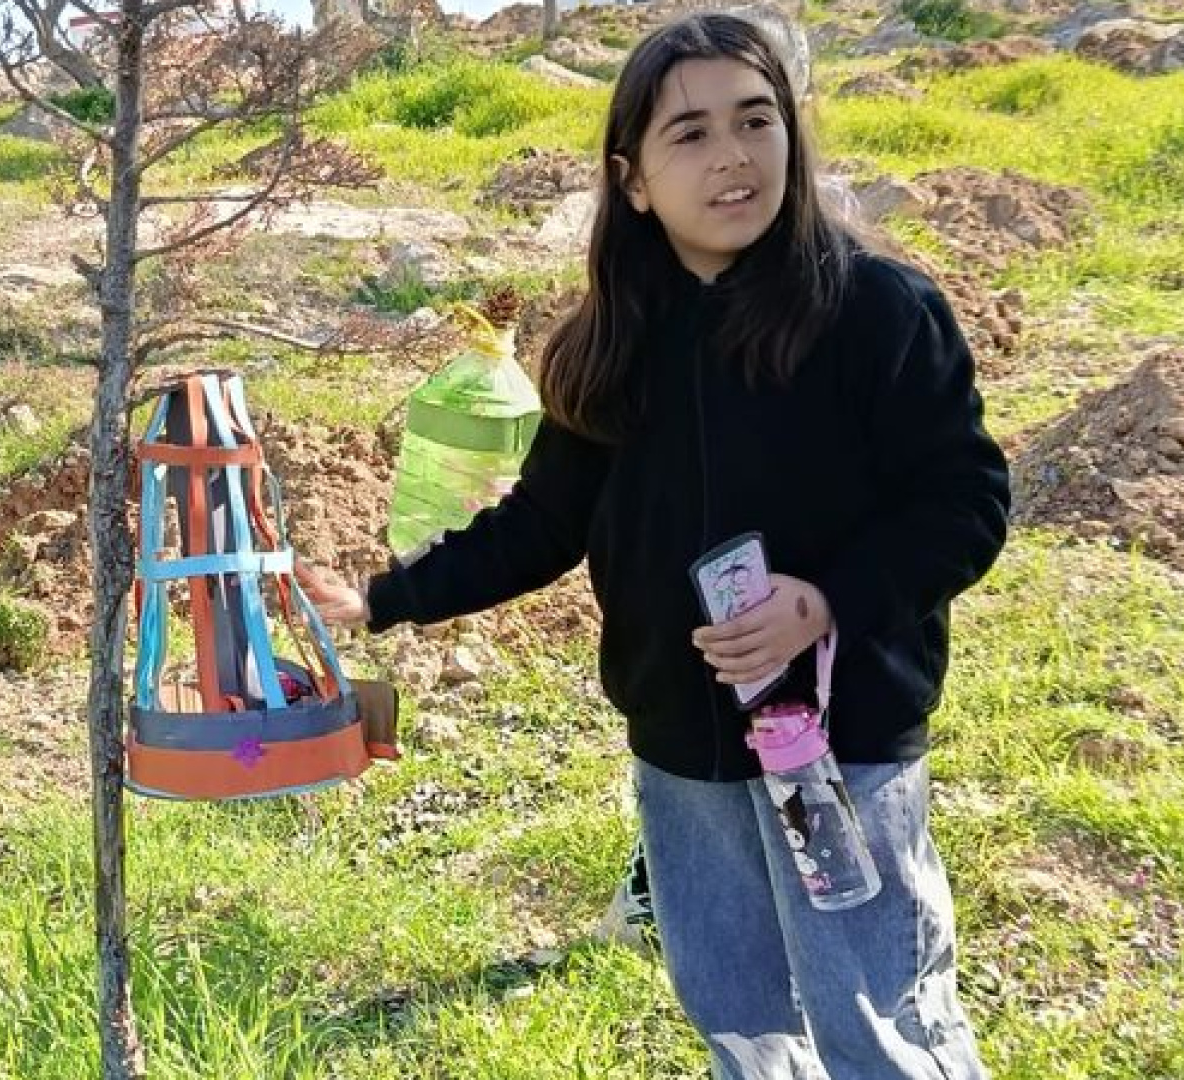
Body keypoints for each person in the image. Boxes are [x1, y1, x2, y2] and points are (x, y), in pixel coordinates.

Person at [296, 12, 1009, 1078]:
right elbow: (543, 523)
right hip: (685, 751)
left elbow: (965, 502)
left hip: (838, 740)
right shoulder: (607, 345)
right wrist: (385, 596)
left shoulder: (874, 312)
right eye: (691, 134)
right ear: (631, 180)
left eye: (756, 120)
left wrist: (824, 602)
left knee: (877, 1013)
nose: (732, 156)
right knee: (738, 1010)